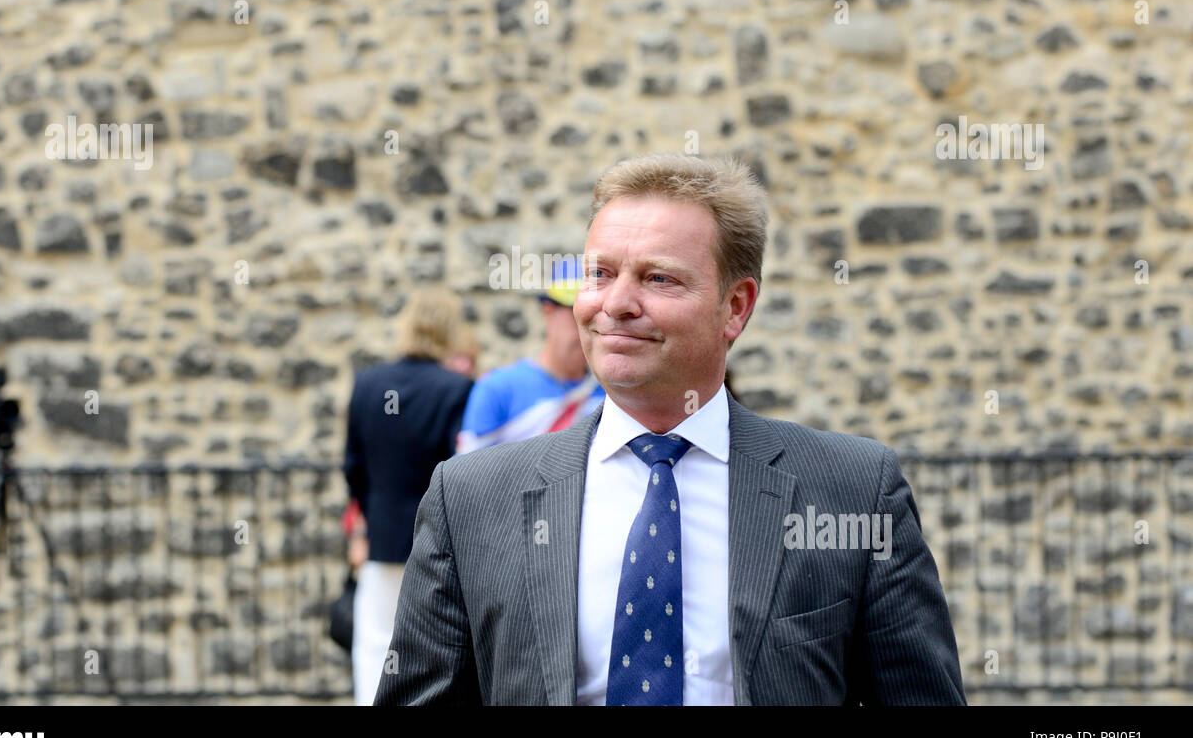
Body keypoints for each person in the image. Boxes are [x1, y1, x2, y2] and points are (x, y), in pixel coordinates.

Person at [376, 153, 965, 705]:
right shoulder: (473, 500)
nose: (617, 303)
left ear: (735, 307)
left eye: (658, 279)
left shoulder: (853, 490)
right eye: (600, 274)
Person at [342, 289, 475, 705]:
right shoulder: (458, 389)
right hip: (437, 545)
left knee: (374, 650)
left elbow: (352, 466)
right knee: (435, 656)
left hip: (381, 542)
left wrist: (366, 521)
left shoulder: (367, 385)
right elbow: (462, 468)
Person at [455, 259, 605, 454]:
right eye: (576, 313)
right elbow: (468, 475)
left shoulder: (612, 393)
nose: (586, 327)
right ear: (548, 311)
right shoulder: (497, 389)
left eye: (596, 315)